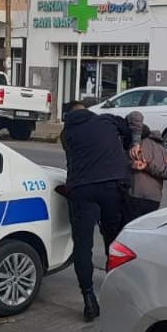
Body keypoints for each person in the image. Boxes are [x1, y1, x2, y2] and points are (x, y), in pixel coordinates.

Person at [61, 101, 143, 320]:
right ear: (87, 110)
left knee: (83, 243)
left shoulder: (66, 133)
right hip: (113, 184)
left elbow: (72, 161)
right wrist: (127, 148)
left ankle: (88, 299)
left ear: (67, 116)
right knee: (113, 238)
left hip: (83, 188)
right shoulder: (105, 119)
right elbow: (130, 129)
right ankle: (116, 290)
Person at [123, 125, 167, 225]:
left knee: (131, 231)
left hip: (136, 196)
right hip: (154, 199)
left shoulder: (135, 146)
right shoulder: (161, 148)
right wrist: (149, 165)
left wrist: (143, 165)